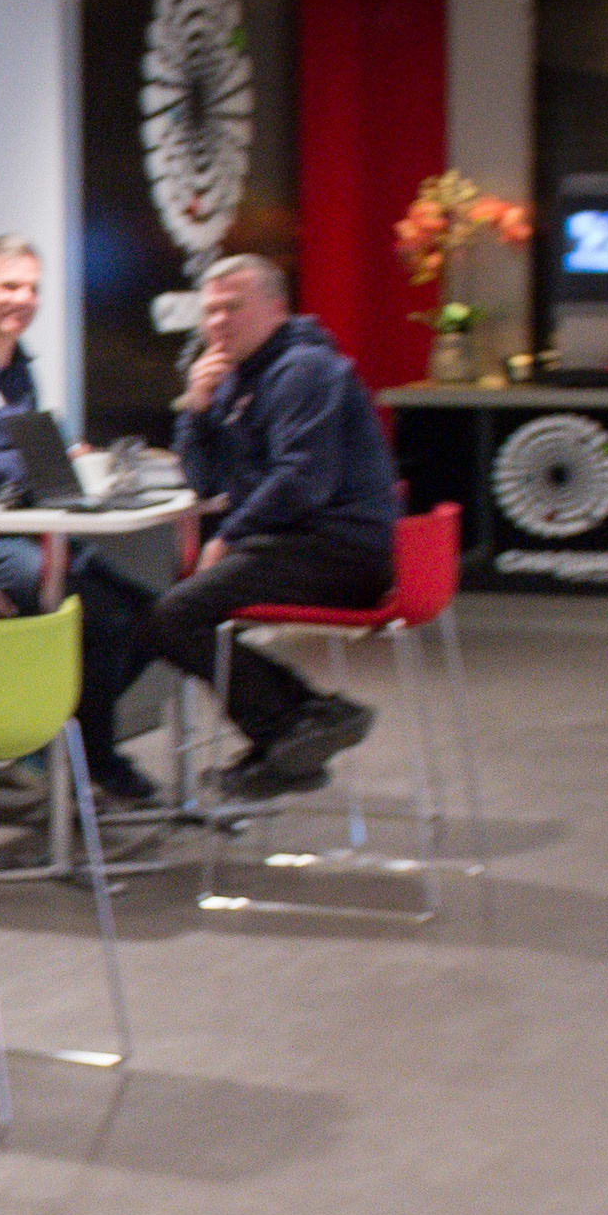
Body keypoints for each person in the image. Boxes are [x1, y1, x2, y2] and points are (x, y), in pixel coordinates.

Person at [0, 235, 156, 805]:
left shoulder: (19, 367)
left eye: (33, 288)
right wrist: (40, 462)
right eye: (10, 285)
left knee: (149, 615)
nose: (23, 299)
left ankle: (55, 746)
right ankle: (89, 758)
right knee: (100, 618)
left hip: (24, 534)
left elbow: (27, 461)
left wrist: (63, 466)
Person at [148, 252, 397, 803]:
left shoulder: (304, 369)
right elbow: (203, 480)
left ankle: (294, 725)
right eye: (210, 311)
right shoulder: (236, 377)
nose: (218, 322)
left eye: (233, 307)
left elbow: (303, 481)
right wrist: (196, 408)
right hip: (291, 543)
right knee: (170, 614)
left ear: (276, 308)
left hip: (341, 550)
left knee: (175, 616)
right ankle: (303, 724)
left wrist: (229, 536)